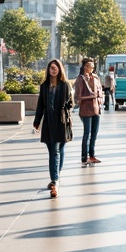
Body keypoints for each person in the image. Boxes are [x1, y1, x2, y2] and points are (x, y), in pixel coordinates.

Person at [33, 59, 73, 198]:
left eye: (55, 68)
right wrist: (37, 120)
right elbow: (40, 104)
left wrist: (65, 113)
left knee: (59, 150)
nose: (53, 70)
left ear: (60, 69)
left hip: (61, 122)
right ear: (48, 70)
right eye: (51, 68)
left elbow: (71, 103)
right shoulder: (44, 86)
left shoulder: (65, 85)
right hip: (49, 122)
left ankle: (55, 179)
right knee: (54, 152)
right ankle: (55, 179)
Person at [74, 57, 103, 165]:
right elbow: (77, 97)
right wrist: (90, 97)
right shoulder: (80, 79)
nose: (90, 68)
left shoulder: (96, 77)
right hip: (85, 109)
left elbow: (100, 91)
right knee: (87, 133)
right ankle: (84, 157)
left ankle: (92, 155)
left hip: (96, 109)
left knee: (94, 134)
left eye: (92, 66)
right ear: (84, 67)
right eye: (88, 66)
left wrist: (100, 99)